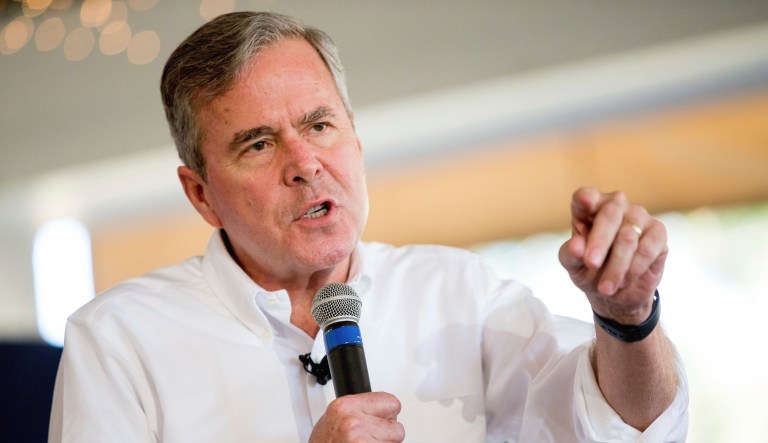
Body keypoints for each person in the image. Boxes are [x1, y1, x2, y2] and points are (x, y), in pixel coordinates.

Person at [48, 11, 688, 443]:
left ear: (355, 138)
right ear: (201, 194)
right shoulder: (118, 340)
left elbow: (625, 429)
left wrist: (627, 318)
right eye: (258, 145)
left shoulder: (459, 292)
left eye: (319, 125)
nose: (305, 164)